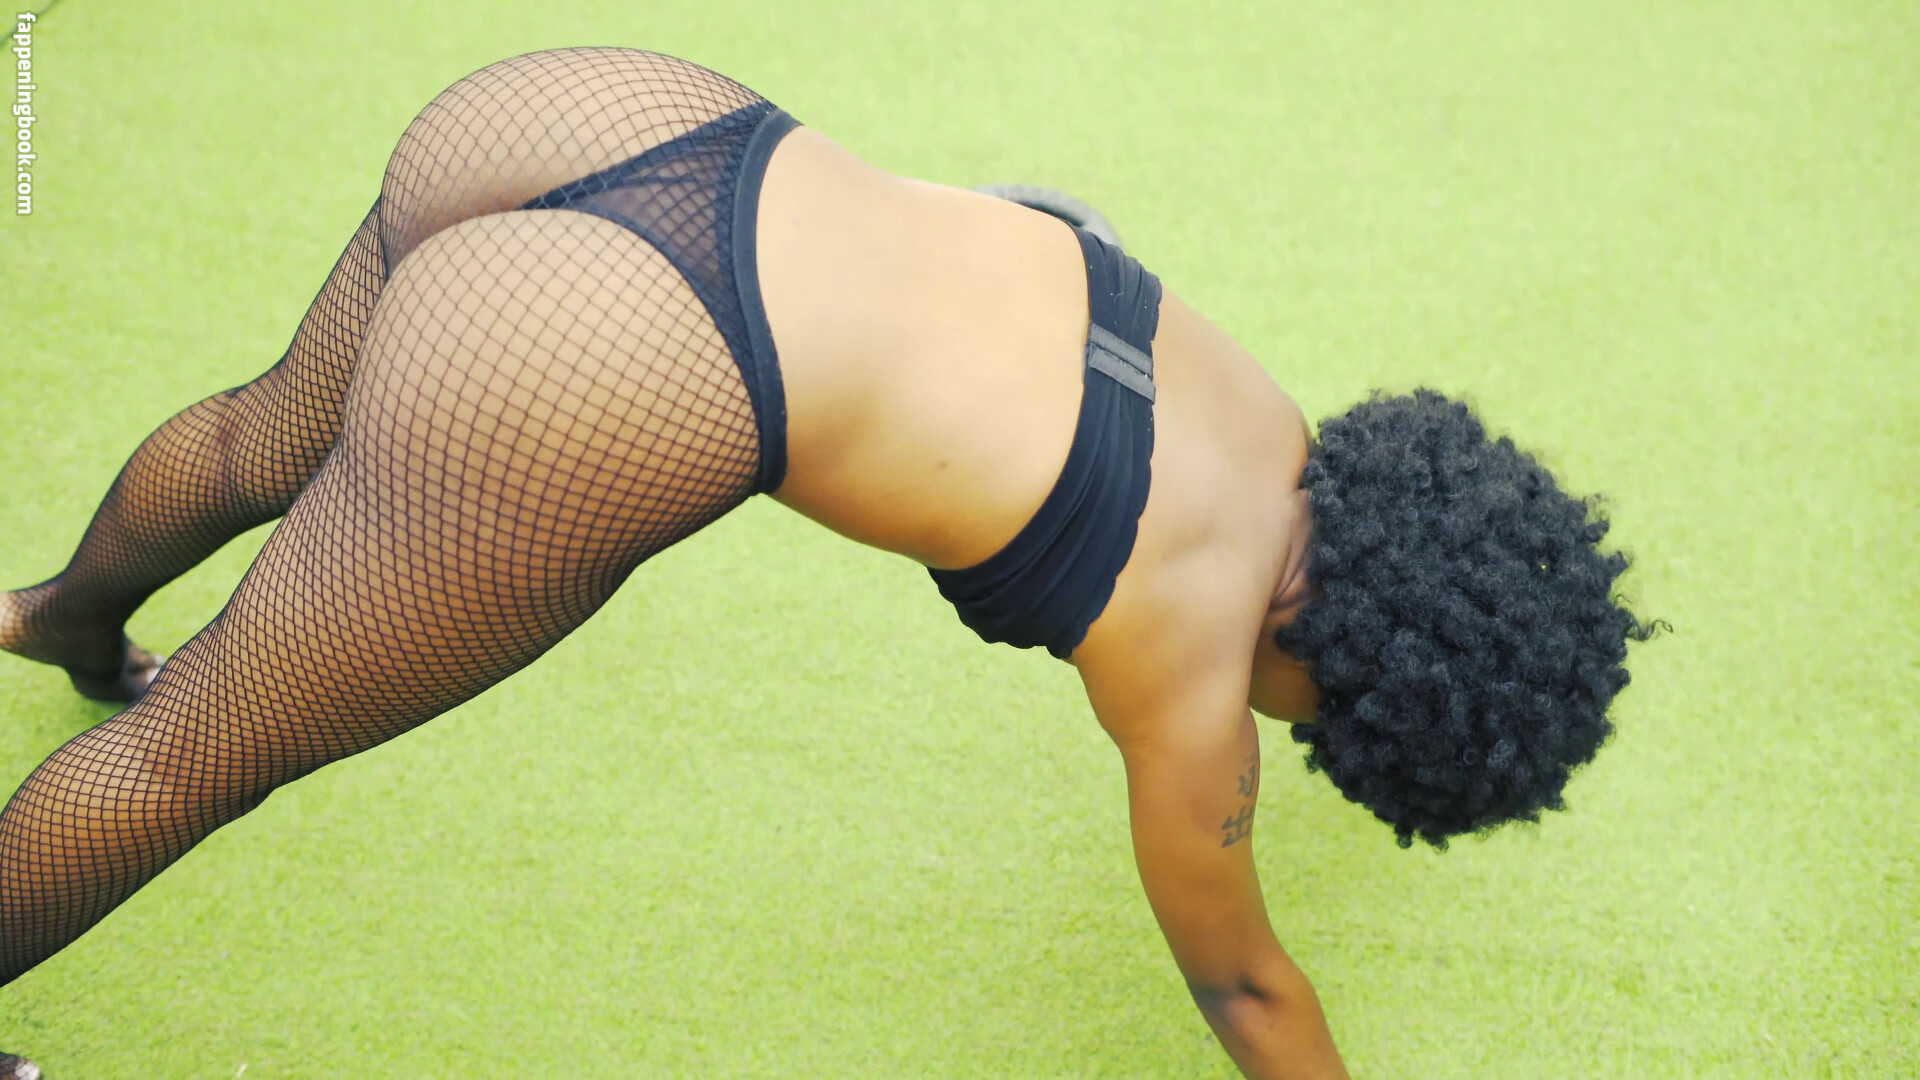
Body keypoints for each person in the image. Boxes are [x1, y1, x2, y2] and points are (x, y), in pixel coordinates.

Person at [0, 48, 1655, 1079]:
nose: (1282, 736)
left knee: (261, 439)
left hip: (636, 118)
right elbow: (1247, 988)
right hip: (621, 355)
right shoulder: (1196, 679)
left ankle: (57, 617)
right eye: (1324, 729)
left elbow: (1036, 220)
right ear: (1352, 678)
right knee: (199, 753)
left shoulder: (1268, 413)